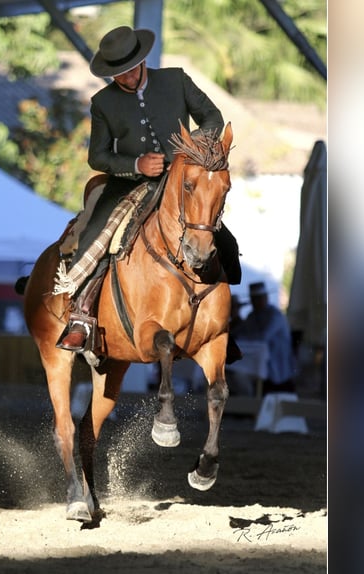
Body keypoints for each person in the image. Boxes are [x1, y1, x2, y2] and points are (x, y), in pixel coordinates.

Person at [57, 25, 240, 352]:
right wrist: (136, 164)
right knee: (95, 235)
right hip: (130, 184)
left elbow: (212, 118)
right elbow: (97, 156)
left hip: (183, 182)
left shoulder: (176, 80)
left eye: (128, 71)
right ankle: (81, 316)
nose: (124, 79)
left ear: (141, 61)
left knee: (223, 239)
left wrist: (185, 154)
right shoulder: (102, 103)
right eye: (117, 75)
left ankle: (221, 323)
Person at [232, 282, 297, 395]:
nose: (255, 302)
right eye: (253, 299)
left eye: (258, 298)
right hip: (259, 365)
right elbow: (240, 331)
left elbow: (263, 337)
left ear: (265, 297)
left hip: (277, 367)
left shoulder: (275, 315)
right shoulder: (252, 316)